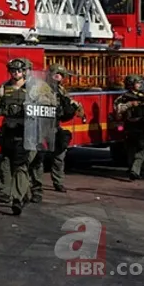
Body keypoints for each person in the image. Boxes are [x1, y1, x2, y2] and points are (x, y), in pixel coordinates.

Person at [0, 58, 56, 215]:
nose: (16, 73)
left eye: (19, 70)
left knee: (21, 165)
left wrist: (35, 105)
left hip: (28, 132)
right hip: (9, 132)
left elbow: (51, 104)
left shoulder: (37, 87)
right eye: (13, 71)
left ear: (25, 71)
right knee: (8, 162)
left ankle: (17, 199)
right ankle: (23, 193)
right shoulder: (5, 87)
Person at [43, 64, 84, 193]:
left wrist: (75, 107)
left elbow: (70, 103)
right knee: (35, 157)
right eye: (56, 74)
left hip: (54, 125)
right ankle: (33, 185)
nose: (58, 77)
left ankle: (58, 182)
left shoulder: (61, 90)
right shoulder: (41, 88)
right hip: (40, 126)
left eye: (60, 75)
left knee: (60, 154)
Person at [113, 74, 144, 181]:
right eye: (137, 83)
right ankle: (134, 169)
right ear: (131, 85)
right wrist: (130, 104)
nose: (140, 85)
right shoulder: (124, 97)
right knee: (131, 148)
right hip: (131, 125)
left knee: (143, 148)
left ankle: (138, 170)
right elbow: (118, 109)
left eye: (140, 82)